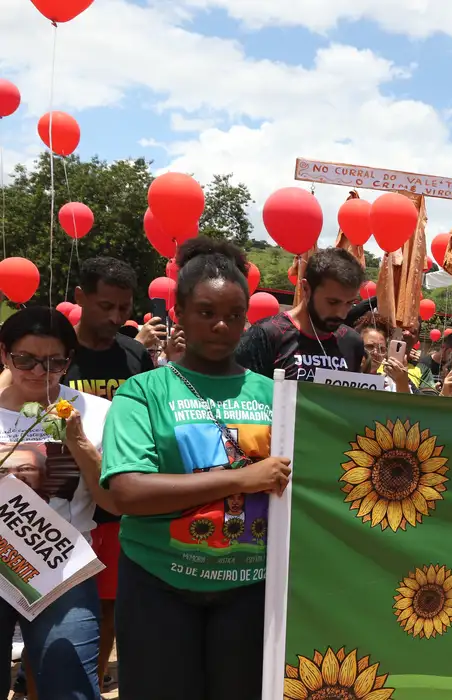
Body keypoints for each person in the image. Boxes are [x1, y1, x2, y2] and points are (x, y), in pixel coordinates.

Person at [101, 239, 292, 700]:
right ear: (179, 312)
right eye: (205, 312)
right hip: (158, 586)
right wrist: (241, 478)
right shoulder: (143, 392)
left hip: (250, 590)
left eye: (233, 314)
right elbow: (127, 492)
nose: (221, 325)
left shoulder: (277, 397)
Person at [0, 307, 116, 699]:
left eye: (53, 362)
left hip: (60, 568)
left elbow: (111, 501)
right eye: (25, 360)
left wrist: (79, 442)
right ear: (4, 355)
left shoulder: (96, 412)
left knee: (71, 686)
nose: (37, 372)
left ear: (69, 360)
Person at [64, 257, 159, 692]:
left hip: (117, 505)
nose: (117, 317)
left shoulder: (135, 354)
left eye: (124, 307)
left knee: (107, 608)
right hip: (60, 505)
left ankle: (92, 677)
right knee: (51, 604)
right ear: (80, 297)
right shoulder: (56, 354)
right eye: (106, 306)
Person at [236, 247, 365, 381]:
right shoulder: (266, 335)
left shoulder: (352, 342)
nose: (341, 314)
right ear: (306, 288)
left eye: (350, 303)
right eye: (332, 302)